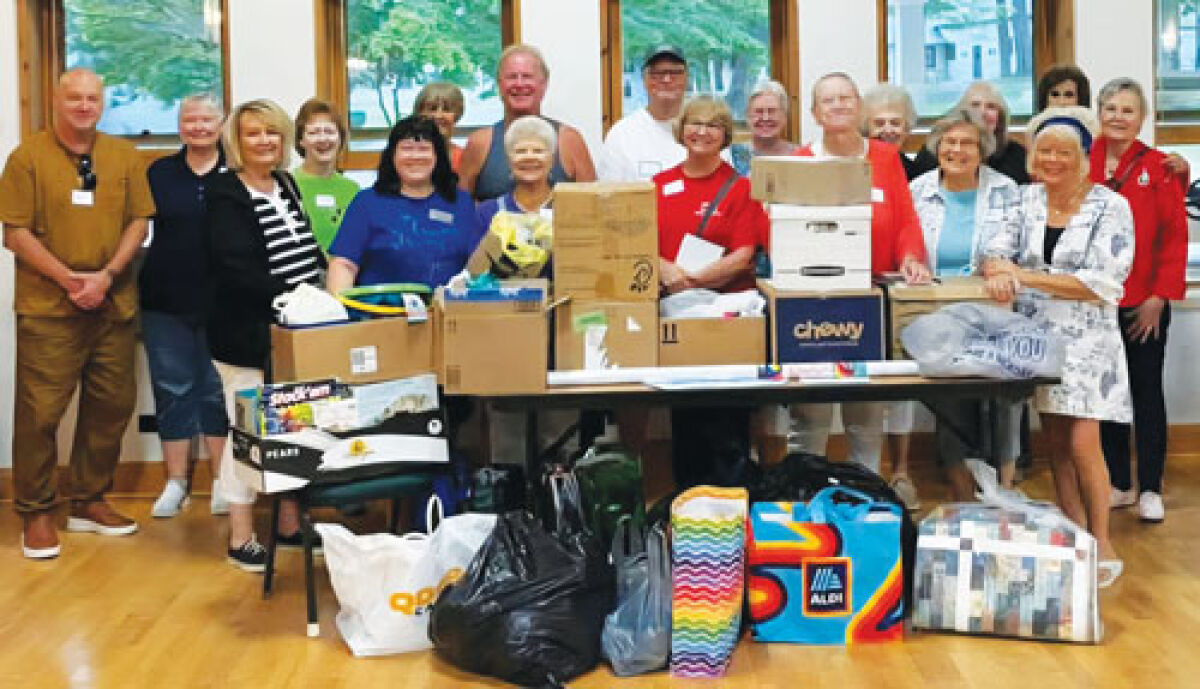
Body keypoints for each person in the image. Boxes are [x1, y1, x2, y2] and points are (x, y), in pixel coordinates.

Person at [0, 68, 154, 559]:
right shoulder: (27, 158)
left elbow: (139, 221)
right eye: (75, 97)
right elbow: (15, 233)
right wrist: (70, 281)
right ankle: (36, 510)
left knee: (111, 406)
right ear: (56, 98)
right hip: (50, 308)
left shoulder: (124, 156)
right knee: (40, 413)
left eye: (92, 98)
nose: (84, 105)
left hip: (113, 301)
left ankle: (88, 499)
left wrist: (106, 276)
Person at [981, 105, 1133, 588]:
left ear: (1084, 157)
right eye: (1044, 150)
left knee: (1084, 441)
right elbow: (994, 253)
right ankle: (1075, 532)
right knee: (1055, 443)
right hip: (1037, 337)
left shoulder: (1111, 206)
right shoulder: (1024, 201)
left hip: (1089, 340)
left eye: (1063, 152)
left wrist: (1021, 275)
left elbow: (1101, 283)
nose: (1051, 159)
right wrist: (999, 274)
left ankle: (1103, 538)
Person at [788, 72, 930, 476]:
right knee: (811, 412)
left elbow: (905, 220)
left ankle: (864, 494)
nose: (838, 105)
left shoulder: (884, 158)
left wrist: (911, 258)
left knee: (867, 410)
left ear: (859, 107)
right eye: (828, 100)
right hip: (813, 302)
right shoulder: (800, 162)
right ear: (815, 112)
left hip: (872, 300)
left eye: (846, 98)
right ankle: (805, 492)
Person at [206, 99, 326, 571]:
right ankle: (240, 536)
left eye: (273, 133)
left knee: (291, 422)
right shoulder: (224, 192)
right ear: (238, 140)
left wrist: (325, 289)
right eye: (254, 133)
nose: (265, 142)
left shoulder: (286, 182)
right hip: (245, 333)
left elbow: (306, 249)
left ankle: (289, 525)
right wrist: (288, 299)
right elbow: (236, 267)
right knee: (247, 431)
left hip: (291, 328)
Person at [654, 95, 769, 487]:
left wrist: (694, 280)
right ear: (681, 128)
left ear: (725, 136)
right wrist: (665, 269)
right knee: (685, 420)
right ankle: (687, 512)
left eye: (713, 125)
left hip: (727, 319)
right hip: (676, 319)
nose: (702, 131)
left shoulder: (740, 188)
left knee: (727, 424)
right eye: (694, 122)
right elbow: (639, 245)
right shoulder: (659, 184)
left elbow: (743, 255)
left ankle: (733, 512)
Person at [909, 109, 1023, 501]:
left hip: (993, 306)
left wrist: (997, 267)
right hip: (935, 310)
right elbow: (905, 246)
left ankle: (1004, 487)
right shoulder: (918, 190)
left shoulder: (1007, 190)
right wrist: (909, 261)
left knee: (1005, 400)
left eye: (968, 143)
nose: (957, 150)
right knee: (949, 399)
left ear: (983, 150)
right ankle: (961, 488)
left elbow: (1010, 245)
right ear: (937, 145)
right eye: (949, 142)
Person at [1091, 79, 1188, 523]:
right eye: (1110, 107)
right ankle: (1118, 482)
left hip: (1143, 300)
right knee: (1106, 394)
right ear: (1099, 112)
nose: (1117, 117)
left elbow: (1173, 237)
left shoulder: (1159, 167)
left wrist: (1158, 297)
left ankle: (1150, 485)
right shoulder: (1081, 160)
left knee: (1146, 392)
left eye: (1127, 110)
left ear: (1142, 117)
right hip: (1094, 302)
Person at [141, 93, 232, 519]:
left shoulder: (235, 173)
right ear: (179, 125)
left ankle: (221, 480)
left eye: (206, 119)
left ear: (221, 124)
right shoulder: (159, 173)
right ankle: (176, 482)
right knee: (173, 390)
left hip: (223, 303)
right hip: (164, 300)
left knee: (216, 393)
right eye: (189, 119)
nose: (198, 127)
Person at [327, 115, 483, 292]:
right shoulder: (366, 203)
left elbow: (477, 267)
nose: (415, 156)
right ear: (392, 156)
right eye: (407, 149)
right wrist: (340, 311)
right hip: (382, 313)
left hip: (449, 314)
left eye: (424, 149)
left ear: (437, 156)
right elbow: (344, 264)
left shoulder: (461, 203)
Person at [459, 43, 595, 200]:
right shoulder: (480, 143)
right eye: (511, 77)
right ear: (499, 84)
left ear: (543, 84)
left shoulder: (570, 140)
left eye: (527, 76)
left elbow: (593, 209)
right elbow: (463, 211)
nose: (519, 84)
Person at [601, 45, 692, 181]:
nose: (666, 79)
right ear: (644, 80)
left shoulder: (706, 133)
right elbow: (608, 196)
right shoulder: (621, 135)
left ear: (686, 78)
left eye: (675, 73)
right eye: (657, 73)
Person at [913, 81, 1030, 184]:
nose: (982, 112)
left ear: (1000, 117)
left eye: (991, 107)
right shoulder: (933, 153)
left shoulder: (1017, 155)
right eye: (975, 105)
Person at [291, 98, 360, 252]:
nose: (323, 139)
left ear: (340, 138)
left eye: (329, 131)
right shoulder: (287, 185)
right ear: (301, 140)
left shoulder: (352, 189)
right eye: (314, 132)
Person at [478, 115, 557, 228]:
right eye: (520, 151)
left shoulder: (569, 210)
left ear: (552, 160)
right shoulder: (487, 212)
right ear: (509, 160)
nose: (529, 157)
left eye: (538, 151)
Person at [730, 79, 795, 176]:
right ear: (748, 116)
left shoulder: (801, 156)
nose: (765, 118)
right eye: (759, 111)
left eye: (772, 111)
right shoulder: (730, 157)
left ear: (784, 116)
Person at [862, 83, 922, 180]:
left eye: (895, 123)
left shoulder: (916, 174)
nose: (888, 130)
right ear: (866, 127)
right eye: (879, 123)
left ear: (906, 128)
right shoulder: (856, 166)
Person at [414, 82, 467, 172]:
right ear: (419, 113)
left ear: (458, 114)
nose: (439, 115)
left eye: (447, 109)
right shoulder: (403, 155)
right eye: (432, 109)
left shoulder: (466, 158)